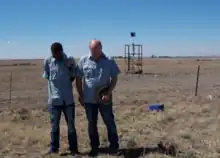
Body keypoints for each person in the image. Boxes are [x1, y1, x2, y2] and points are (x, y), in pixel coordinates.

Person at [76, 40, 120, 156]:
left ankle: (114, 146)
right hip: (89, 100)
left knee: (109, 121)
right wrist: (81, 95)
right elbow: (78, 79)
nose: (94, 52)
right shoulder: (83, 60)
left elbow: (114, 78)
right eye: (92, 50)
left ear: (101, 48)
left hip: (104, 98)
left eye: (96, 50)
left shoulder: (109, 60)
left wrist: (109, 92)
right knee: (92, 124)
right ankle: (94, 147)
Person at [42, 42, 79, 155]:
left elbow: (73, 78)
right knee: (54, 126)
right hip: (54, 101)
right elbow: (47, 77)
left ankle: (73, 149)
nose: (55, 56)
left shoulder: (69, 61)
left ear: (61, 51)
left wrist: (70, 66)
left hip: (68, 100)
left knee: (71, 126)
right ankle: (54, 148)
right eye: (53, 54)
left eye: (57, 54)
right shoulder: (48, 62)